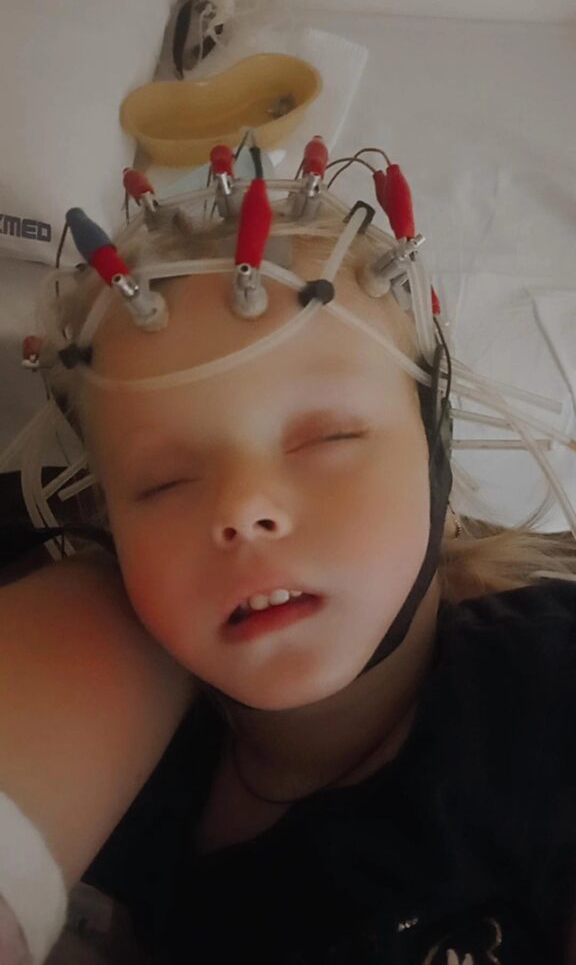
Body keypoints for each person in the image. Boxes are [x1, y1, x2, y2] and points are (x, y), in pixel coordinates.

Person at [2, 136, 576, 964]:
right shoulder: (128, 776)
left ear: (435, 453)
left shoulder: (546, 700)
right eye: (164, 482)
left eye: (329, 437)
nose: (244, 510)